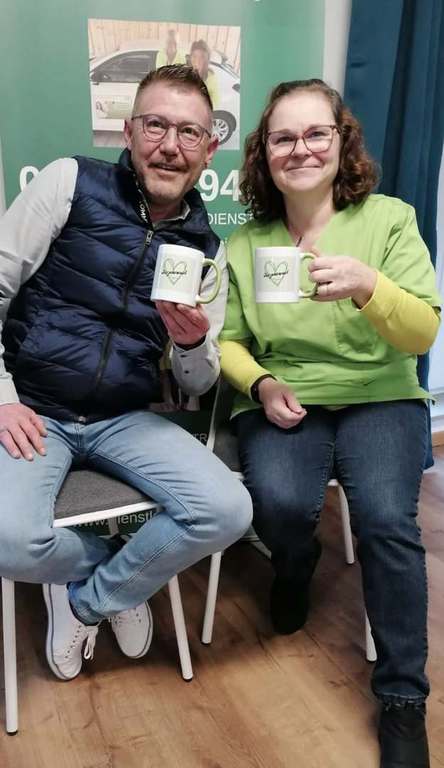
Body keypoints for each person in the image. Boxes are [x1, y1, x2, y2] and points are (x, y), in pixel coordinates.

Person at [0, 64, 252, 682]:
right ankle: (107, 569)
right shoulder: (70, 182)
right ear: (129, 131)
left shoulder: (207, 250)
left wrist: (192, 343)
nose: (171, 145)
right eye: (156, 125)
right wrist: (2, 396)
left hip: (125, 418)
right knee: (10, 541)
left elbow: (196, 383)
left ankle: (90, 599)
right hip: (35, 406)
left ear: (209, 150)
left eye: (189, 132)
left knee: (227, 510)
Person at [219, 78, 441, 768]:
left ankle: (402, 697)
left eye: (317, 133)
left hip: (380, 394)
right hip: (287, 395)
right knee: (282, 505)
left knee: (385, 521)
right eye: (283, 137)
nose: (301, 149)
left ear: (343, 141)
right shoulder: (245, 243)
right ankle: (295, 564)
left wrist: (371, 287)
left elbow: (422, 332)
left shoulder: (389, 220)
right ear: (264, 152)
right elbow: (228, 341)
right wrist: (261, 382)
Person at [189, 39, 219, 110]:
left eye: (201, 57)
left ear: (206, 59)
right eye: (194, 56)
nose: (197, 60)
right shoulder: (187, 73)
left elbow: (215, 101)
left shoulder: (211, 78)